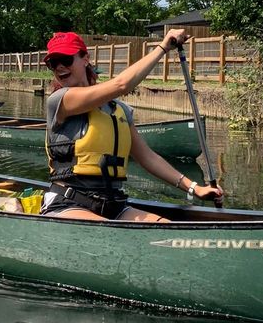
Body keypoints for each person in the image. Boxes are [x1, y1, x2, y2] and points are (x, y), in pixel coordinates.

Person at [41, 30, 223, 222]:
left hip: (114, 205)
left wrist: (195, 188)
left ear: (85, 59)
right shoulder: (60, 101)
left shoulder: (120, 110)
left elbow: (148, 157)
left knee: (166, 229)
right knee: (109, 233)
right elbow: (121, 85)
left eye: (66, 59)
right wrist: (163, 48)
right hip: (68, 204)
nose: (59, 67)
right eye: (53, 63)